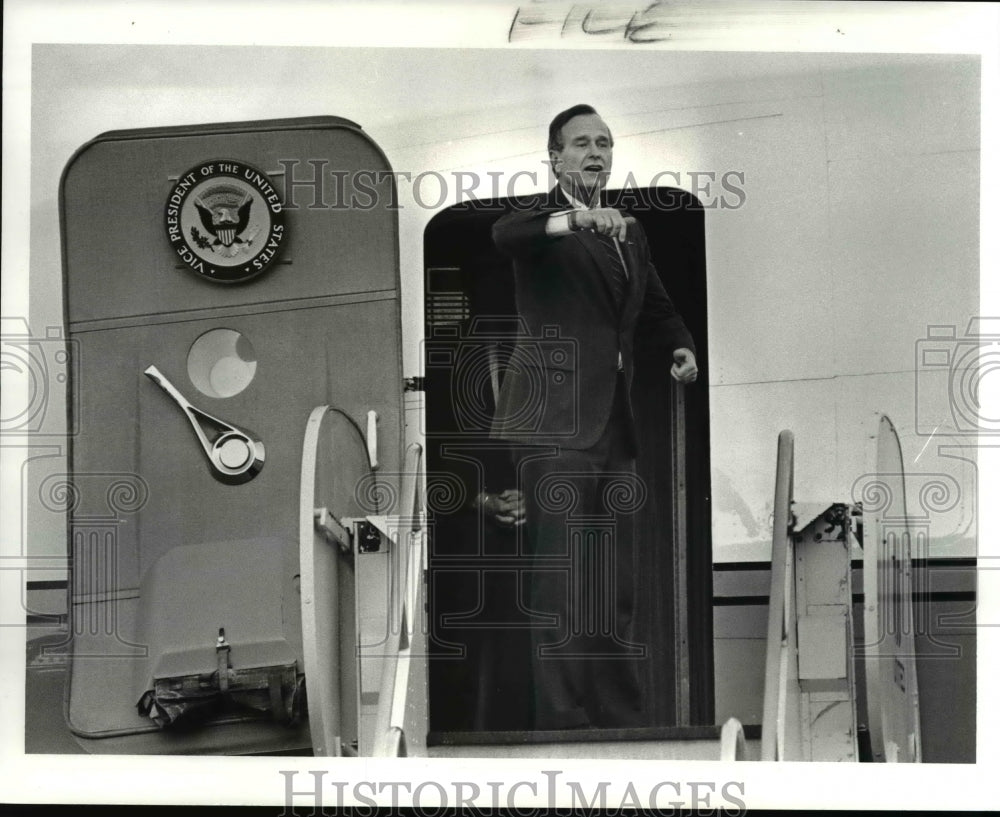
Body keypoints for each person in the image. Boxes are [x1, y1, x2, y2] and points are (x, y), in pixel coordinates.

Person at [489, 104, 697, 730]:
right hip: (552, 428)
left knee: (616, 586)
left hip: (613, 431)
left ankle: (621, 720)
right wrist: (575, 216)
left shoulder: (630, 232)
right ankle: (563, 724)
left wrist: (680, 343)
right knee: (562, 585)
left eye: (604, 142)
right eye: (581, 143)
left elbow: (654, 307)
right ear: (555, 157)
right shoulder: (542, 222)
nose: (595, 152)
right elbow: (506, 236)